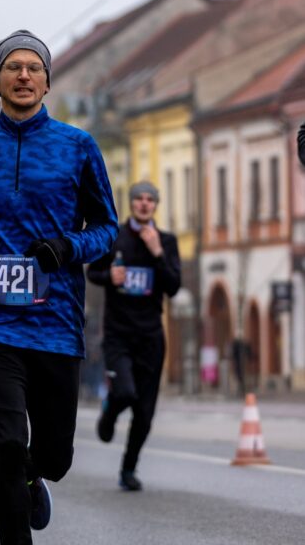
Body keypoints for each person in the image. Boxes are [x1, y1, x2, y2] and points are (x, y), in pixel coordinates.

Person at [0, 29, 118, 545]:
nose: (24, 76)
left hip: (54, 322)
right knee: (8, 444)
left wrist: (67, 247)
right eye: (13, 67)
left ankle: (37, 477)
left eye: (34, 67)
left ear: (47, 81)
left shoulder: (78, 147)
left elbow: (107, 228)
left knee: (53, 456)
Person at [87, 180, 181, 491]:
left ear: (156, 205)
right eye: (139, 199)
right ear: (131, 203)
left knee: (144, 413)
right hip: (118, 334)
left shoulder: (165, 241)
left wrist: (157, 253)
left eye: (150, 200)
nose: (144, 204)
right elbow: (92, 273)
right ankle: (109, 414)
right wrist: (109, 277)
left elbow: (172, 286)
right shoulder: (115, 237)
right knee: (126, 392)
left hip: (152, 336)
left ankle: (128, 469)